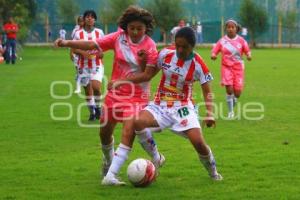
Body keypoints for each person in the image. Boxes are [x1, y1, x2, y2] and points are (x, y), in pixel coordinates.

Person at [54, 6, 164, 185]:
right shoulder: (118, 38)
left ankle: (112, 174)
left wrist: (143, 60)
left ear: (146, 28)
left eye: (139, 28)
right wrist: (67, 43)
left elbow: (148, 74)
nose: (135, 32)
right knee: (104, 133)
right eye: (132, 28)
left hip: (137, 96)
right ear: (125, 27)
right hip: (115, 94)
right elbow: (92, 45)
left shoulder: (150, 46)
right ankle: (108, 161)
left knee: (130, 130)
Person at [103, 27, 223, 185]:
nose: (180, 49)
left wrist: (209, 113)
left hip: (183, 107)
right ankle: (156, 157)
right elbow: (149, 73)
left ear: (192, 46)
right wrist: (145, 59)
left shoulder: (198, 64)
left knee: (198, 142)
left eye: (184, 47)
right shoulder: (166, 54)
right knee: (137, 122)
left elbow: (207, 91)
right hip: (160, 104)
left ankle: (213, 172)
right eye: (177, 45)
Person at [211, 19, 251, 118]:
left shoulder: (241, 40)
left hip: (238, 68)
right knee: (229, 90)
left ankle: (233, 102)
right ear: (226, 29)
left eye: (232, 27)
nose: (230, 29)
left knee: (237, 92)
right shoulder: (222, 41)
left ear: (236, 28)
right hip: (226, 67)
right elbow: (215, 50)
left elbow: (247, 50)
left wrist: (249, 55)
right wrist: (213, 55)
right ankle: (230, 112)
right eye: (228, 27)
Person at [71, 10, 104, 120]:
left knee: (96, 87)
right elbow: (74, 49)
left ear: (95, 20)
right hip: (83, 66)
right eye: (87, 17)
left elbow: (103, 47)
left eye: (92, 17)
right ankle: (92, 113)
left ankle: (98, 107)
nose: (90, 19)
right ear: (84, 19)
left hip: (97, 65)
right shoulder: (78, 33)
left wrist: (100, 53)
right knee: (87, 91)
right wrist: (83, 53)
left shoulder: (99, 32)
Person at [70, 15, 84, 94]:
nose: (82, 23)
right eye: (80, 21)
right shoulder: (75, 31)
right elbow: (72, 43)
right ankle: (78, 88)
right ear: (78, 22)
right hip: (77, 54)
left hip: (86, 54)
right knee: (79, 71)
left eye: (83, 21)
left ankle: (87, 85)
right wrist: (71, 53)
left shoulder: (88, 30)